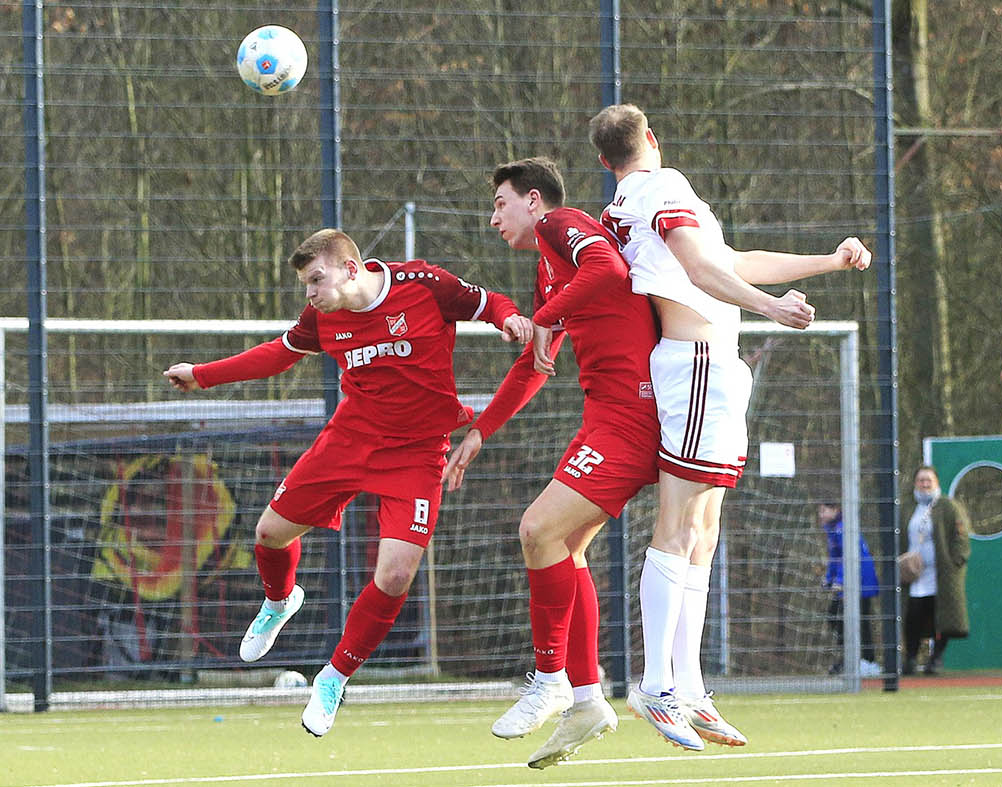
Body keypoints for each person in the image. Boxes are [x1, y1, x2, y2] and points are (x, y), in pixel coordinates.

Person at [163, 228, 530, 737]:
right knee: (269, 534)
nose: (310, 293)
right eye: (305, 285)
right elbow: (279, 353)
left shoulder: (422, 284)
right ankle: (279, 601)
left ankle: (333, 678)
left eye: (317, 279)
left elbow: (488, 302)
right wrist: (203, 375)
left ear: (351, 269)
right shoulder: (322, 316)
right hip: (351, 438)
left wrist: (508, 317)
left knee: (397, 575)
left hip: (418, 452)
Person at [589, 103, 872, 751]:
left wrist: (826, 262)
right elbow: (700, 266)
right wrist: (771, 307)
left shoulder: (633, 202)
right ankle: (655, 684)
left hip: (712, 368)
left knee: (704, 531)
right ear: (652, 139)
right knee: (679, 524)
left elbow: (729, 260)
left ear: (605, 162)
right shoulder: (662, 186)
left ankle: (686, 685)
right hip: (694, 365)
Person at [440, 157, 658, 768]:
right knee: (564, 549)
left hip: (632, 414)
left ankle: (552, 678)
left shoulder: (562, 224)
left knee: (537, 530)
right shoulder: (547, 270)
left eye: (500, 203)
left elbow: (609, 266)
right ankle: (587, 697)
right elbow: (537, 363)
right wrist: (481, 431)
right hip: (607, 415)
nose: (492, 217)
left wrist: (542, 316)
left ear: (534, 202)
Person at [903, 466, 971, 675]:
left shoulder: (948, 507)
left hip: (941, 574)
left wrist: (955, 562)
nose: (924, 484)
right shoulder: (909, 509)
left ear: (937, 482)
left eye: (928, 480)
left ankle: (936, 659)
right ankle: (911, 659)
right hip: (915, 575)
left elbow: (961, 538)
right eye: (921, 480)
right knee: (913, 614)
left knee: (940, 616)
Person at [817, 502, 881, 678]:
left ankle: (868, 662)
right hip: (849, 581)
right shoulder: (832, 530)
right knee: (836, 617)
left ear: (835, 510)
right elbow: (835, 558)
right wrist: (829, 578)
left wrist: (840, 581)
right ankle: (851, 658)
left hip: (861, 581)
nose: (821, 514)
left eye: (824, 510)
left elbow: (849, 558)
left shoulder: (842, 529)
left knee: (860, 620)